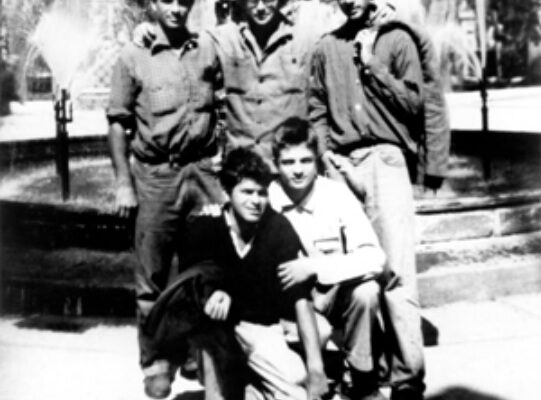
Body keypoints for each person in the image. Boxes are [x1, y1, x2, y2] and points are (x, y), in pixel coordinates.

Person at [308, 0, 441, 398]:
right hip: (340, 164)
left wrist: (371, 63)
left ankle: (407, 377)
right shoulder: (326, 47)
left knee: (396, 271)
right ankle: (367, 367)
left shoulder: (397, 39)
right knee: (354, 272)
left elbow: (415, 104)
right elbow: (316, 107)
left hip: (386, 160)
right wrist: (324, 155)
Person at [106, 0, 225, 395]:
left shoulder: (206, 48)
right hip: (156, 175)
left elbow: (223, 102)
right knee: (152, 274)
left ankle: (196, 351)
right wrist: (124, 182)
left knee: (203, 268)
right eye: (166, 0)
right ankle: (157, 360)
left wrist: (221, 155)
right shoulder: (133, 55)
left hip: (202, 173)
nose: (176, 7)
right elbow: (118, 122)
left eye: (183, 0)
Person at [179, 148, 329, 400]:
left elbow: (300, 298)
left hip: (261, 324)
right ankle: (219, 389)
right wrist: (211, 292)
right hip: (218, 329)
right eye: (247, 192)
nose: (255, 201)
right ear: (227, 192)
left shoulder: (277, 227)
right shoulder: (205, 226)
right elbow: (189, 282)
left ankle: (251, 385)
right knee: (209, 317)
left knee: (296, 390)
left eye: (261, 193)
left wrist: (316, 369)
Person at [268, 117, 387, 400]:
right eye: (288, 162)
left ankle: (361, 378)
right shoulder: (267, 198)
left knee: (366, 292)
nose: (298, 170)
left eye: (305, 161)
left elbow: (374, 257)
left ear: (317, 161)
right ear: (275, 164)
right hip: (285, 306)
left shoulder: (335, 194)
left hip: (332, 297)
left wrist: (314, 267)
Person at [134, 0, 315, 168]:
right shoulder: (221, 39)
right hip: (241, 166)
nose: (260, 7)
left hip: (289, 165)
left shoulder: (306, 42)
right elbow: (182, 42)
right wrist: (149, 30)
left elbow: (319, 103)